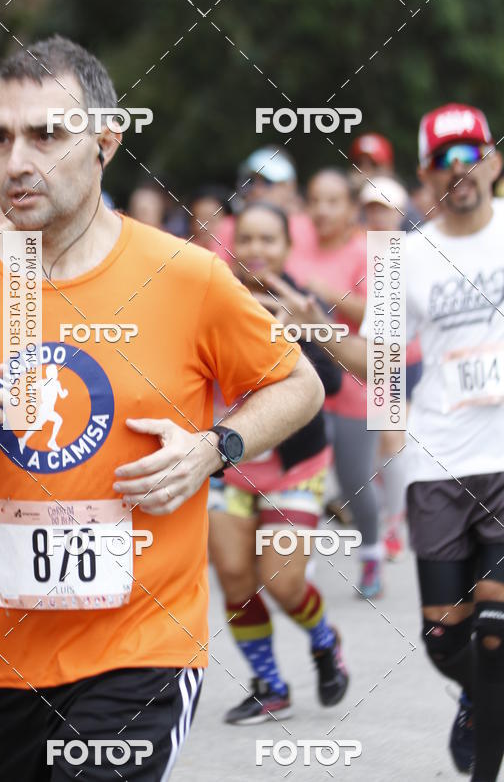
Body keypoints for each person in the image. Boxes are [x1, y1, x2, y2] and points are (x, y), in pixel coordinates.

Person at [0, 35, 325, 782]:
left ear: (106, 138)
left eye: (46, 134)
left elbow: (298, 385)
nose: (16, 160)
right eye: (1, 137)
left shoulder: (185, 276)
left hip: (142, 653)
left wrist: (213, 447)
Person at [307, 103, 504, 782]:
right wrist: (317, 324)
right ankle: (478, 700)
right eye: (445, 160)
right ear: (425, 176)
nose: (461, 170)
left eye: (471, 154)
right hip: (438, 462)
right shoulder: (404, 260)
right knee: (445, 641)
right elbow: (379, 360)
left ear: (494, 161)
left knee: (495, 625)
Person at [208, 202, 349, 723]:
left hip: (296, 468)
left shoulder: (301, 301)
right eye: (246, 239)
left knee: (283, 582)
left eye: (269, 240)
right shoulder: (216, 296)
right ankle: (269, 684)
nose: (257, 250)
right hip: (232, 464)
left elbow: (330, 387)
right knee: (235, 575)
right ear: (233, 245)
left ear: (289, 248)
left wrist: (298, 335)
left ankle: (324, 640)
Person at [301, 167, 382, 597]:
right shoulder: (294, 242)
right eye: (315, 200)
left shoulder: (369, 251)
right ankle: (299, 569)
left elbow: (382, 317)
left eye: (333, 201)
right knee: (303, 480)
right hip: (303, 385)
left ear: (351, 208)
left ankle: (371, 556)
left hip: (353, 383)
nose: (323, 210)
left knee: (354, 481)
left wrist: (328, 295)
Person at [359, 176, 421, 561]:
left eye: (384, 208)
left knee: (392, 438)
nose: (378, 216)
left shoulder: (411, 250)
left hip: (404, 358)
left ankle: (395, 522)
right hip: (361, 360)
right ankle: (389, 509)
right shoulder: (355, 250)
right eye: (371, 208)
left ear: (400, 212)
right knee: (382, 443)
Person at [209, 146, 316, 282]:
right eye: (251, 181)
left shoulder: (309, 227)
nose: (257, 190)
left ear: (290, 186)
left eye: (267, 182)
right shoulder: (228, 226)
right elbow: (216, 276)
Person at [188, 184, 231, 251]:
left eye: (211, 220)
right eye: (198, 220)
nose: (203, 227)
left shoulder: (238, 252)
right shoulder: (188, 249)